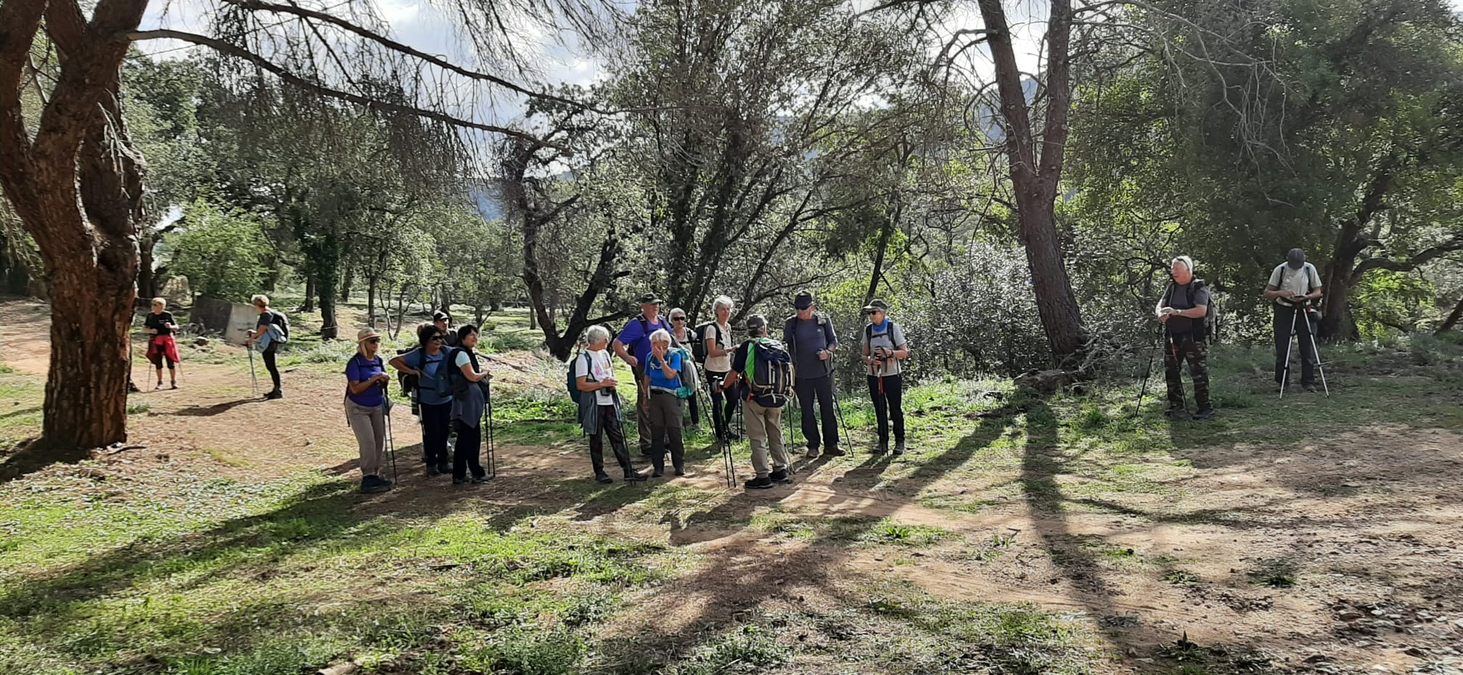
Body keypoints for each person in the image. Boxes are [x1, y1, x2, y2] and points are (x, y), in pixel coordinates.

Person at [722, 315, 791, 490]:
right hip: (776, 397)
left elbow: (734, 372)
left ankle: (763, 476)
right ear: (764, 328)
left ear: (749, 330)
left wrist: (722, 386)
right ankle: (780, 469)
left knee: (758, 436)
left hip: (754, 398)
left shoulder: (747, 347)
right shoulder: (776, 345)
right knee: (775, 432)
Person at [574, 325, 647, 484]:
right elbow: (581, 385)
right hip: (595, 404)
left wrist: (611, 383)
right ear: (598, 340)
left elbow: (609, 373)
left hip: (609, 401)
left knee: (617, 436)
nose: (607, 341)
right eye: (605, 339)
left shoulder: (605, 354)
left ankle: (628, 470)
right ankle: (599, 472)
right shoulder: (583, 358)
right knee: (596, 437)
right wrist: (602, 384)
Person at [783, 290, 843, 458]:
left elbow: (833, 341)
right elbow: (786, 345)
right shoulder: (791, 324)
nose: (800, 313)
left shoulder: (823, 320)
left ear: (813, 307)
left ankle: (831, 444)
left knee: (827, 408)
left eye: (804, 309)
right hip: (801, 374)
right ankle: (813, 445)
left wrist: (828, 352)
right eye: (798, 310)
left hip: (823, 372)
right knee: (807, 411)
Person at [1155, 256, 1214, 420]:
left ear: (1188, 270)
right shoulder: (1171, 287)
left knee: (1198, 372)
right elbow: (1160, 304)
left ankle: (1205, 408)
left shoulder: (1199, 287)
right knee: (1171, 372)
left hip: (1194, 337)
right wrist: (1160, 313)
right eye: (1173, 269)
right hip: (1172, 336)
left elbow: (1201, 311)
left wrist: (1177, 312)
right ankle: (1176, 407)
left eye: (1177, 269)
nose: (1174, 272)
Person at [390, 323, 453, 475]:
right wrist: (411, 371)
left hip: (446, 399)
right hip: (427, 400)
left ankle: (443, 462)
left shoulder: (447, 352)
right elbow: (394, 361)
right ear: (425, 340)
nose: (438, 341)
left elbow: (462, 358)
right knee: (431, 432)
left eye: (440, 337)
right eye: (434, 338)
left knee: (445, 431)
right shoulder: (418, 354)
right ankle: (431, 464)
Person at [612, 294, 670, 456]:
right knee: (645, 401)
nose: (655, 307)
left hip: (662, 366)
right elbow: (617, 343)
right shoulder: (638, 324)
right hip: (644, 367)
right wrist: (627, 357)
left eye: (657, 304)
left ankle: (663, 439)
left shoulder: (663, 321)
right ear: (643, 306)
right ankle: (647, 442)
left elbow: (671, 339)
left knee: (663, 400)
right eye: (652, 305)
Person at [1263, 248, 1324, 392]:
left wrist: (1307, 297)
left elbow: (1318, 291)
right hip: (1284, 309)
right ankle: (1283, 382)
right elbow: (1267, 293)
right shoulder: (1280, 270)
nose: (1296, 266)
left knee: (1307, 347)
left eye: (1298, 264)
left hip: (1305, 308)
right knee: (1283, 347)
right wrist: (1281, 293)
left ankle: (1308, 382)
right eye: (1293, 264)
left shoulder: (1309, 269)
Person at [345, 328, 393, 494]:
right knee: (368, 442)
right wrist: (374, 379)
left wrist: (384, 381)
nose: (376, 344)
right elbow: (356, 388)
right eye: (372, 341)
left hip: (376, 404)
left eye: (377, 340)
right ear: (363, 343)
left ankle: (375, 474)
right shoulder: (355, 363)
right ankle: (367, 476)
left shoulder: (378, 360)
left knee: (379, 441)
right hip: (358, 406)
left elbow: (380, 381)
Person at [861, 300, 910, 455]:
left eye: (873, 312)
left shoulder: (892, 328)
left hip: (892, 374)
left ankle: (900, 441)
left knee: (895, 408)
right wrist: (869, 360)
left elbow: (904, 353)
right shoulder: (868, 330)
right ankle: (882, 442)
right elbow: (864, 354)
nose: (871, 316)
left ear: (883, 313)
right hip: (874, 374)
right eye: (869, 313)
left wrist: (889, 353)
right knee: (879, 408)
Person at [448, 325, 492, 484]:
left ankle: (460, 474)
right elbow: (472, 377)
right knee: (471, 437)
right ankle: (475, 472)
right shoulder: (461, 354)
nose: (474, 338)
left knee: (466, 438)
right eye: (471, 335)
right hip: (467, 402)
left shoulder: (463, 353)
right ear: (462, 337)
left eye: (476, 335)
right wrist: (485, 374)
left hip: (467, 400)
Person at [643, 329, 687, 477]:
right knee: (657, 432)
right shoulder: (649, 357)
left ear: (665, 344)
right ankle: (658, 467)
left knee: (675, 431)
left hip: (671, 397)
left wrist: (662, 360)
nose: (653, 347)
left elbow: (670, 375)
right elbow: (647, 378)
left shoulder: (675, 355)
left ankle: (679, 465)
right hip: (655, 396)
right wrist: (645, 398)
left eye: (656, 344)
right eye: (652, 344)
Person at [701, 296, 739, 443]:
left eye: (728, 309)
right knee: (717, 402)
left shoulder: (728, 327)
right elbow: (712, 352)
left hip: (727, 368)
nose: (726, 312)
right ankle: (720, 433)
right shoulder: (712, 328)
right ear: (716, 311)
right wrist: (730, 350)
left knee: (733, 398)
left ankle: (724, 427)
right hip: (713, 369)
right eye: (723, 309)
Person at [245, 294, 288, 400]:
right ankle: (276, 389)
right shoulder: (273, 313)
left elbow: (263, 330)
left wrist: (252, 339)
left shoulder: (265, 314)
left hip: (269, 344)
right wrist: (254, 333)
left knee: (271, 366)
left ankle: (278, 390)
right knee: (271, 366)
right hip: (274, 342)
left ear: (256, 304)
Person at [667, 307, 700, 428]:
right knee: (676, 395)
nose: (679, 321)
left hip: (689, 367)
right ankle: (677, 422)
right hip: (675, 367)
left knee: (692, 393)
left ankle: (695, 423)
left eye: (682, 318)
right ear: (671, 320)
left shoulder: (691, 334)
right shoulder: (668, 335)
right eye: (676, 319)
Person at [143, 297, 181, 390]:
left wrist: (171, 326)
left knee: (170, 362)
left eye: (157, 305)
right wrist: (151, 330)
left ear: (163, 306)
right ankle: (159, 382)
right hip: (156, 341)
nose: (154, 307)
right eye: (153, 304)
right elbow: (144, 329)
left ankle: (173, 382)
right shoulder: (150, 316)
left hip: (167, 340)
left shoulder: (167, 315)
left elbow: (176, 326)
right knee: (158, 363)